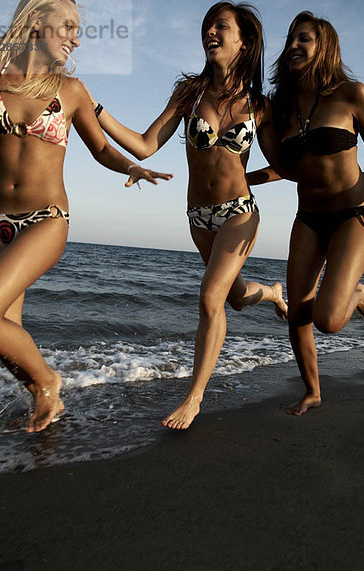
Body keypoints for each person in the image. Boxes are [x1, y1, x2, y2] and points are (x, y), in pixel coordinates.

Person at [82, 1, 288, 430]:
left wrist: (346, 170)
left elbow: (286, 164)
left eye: (221, 26)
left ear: (244, 41)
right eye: (207, 26)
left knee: (210, 297)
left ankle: (193, 398)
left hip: (240, 213)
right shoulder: (189, 93)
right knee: (233, 296)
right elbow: (143, 144)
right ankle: (271, 292)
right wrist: (94, 109)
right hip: (198, 217)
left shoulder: (259, 105)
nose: (210, 32)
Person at [0, 0, 173, 433]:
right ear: (35, 22)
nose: (76, 36)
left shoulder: (71, 90)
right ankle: (42, 399)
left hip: (46, 218)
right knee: (1, 332)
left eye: (77, 28)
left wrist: (132, 167)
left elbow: (102, 148)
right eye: (67, 25)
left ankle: (48, 382)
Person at [250, 11, 364, 415]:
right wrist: (242, 177)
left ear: (324, 47)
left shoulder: (351, 94)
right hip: (308, 218)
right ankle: (312, 391)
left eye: (303, 39)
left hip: (352, 216)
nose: (293, 46)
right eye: (290, 40)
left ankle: (358, 295)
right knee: (298, 311)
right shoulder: (280, 109)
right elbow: (289, 168)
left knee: (327, 320)